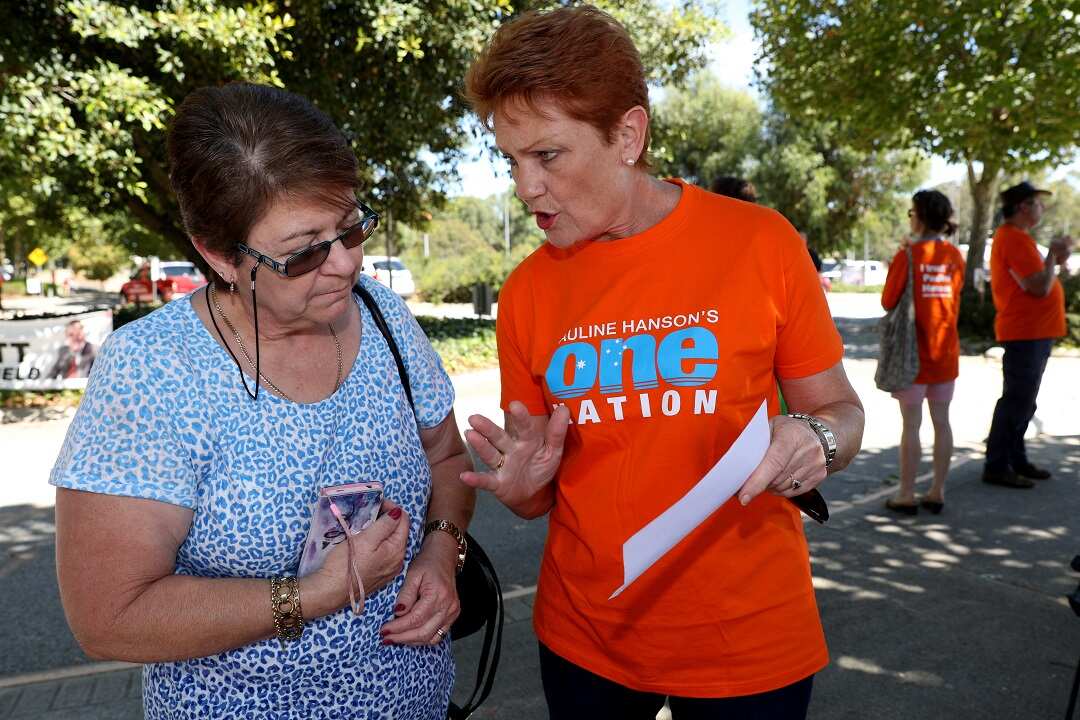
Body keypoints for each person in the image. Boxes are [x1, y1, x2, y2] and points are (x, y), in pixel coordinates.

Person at [461, 7, 865, 719]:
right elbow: (536, 491)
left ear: (628, 135)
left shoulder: (760, 242)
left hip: (748, 637)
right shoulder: (526, 292)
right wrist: (521, 489)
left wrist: (816, 439)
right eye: (511, 161)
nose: (525, 187)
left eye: (547, 155)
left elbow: (842, 414)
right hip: (588, 637)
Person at [51, 83, 474, 719]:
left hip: (416, 701)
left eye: (351, 227)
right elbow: (110, 617)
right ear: (219, 256)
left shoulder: (383, 316)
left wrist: (442, 553)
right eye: (303, 253)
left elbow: (447, 459)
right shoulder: (153, 370)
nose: (345, 265)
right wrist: (313, 595)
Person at [983, 181, 1074, 488]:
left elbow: (1038, 282)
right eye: (1037, 203)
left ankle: (1014, 459)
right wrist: (1053, 257)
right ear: (1023, 207)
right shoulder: (1013, 238)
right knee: (1018, 400)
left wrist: (1053, 260)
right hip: (1026, 333)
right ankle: (998, 465)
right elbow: (1038, 287)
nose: (1042, 208)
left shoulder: (1017, 238)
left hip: (1032, 332)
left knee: (1023, 400)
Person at [880, 190, 965, 514]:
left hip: (911, 357)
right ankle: (937, 491)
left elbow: (888, 300)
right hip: (946, 354)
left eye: (911, 212)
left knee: (911, 426)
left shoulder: (908, 255)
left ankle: (906, 494)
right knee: (942, 422)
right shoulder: (954, 256)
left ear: (920, 216)